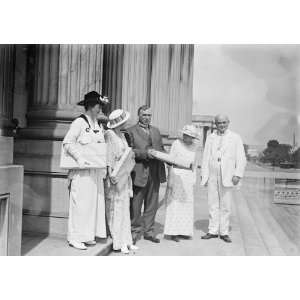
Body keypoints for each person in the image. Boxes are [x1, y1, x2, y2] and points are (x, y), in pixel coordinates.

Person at [63, 91, 108, 250]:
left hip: (95, 172)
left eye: (100, 106)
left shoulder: (98, 125)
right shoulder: (79, 123)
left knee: (92, 204)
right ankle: (74, 237)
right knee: (80, 204)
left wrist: (103, 168)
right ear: (89, 106)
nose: (100, 109)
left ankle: (87, 235)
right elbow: (68, 143)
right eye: (98, 106)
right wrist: (79, 159)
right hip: (81, 172)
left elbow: (101, 149)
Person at [200, 114, 247, 243]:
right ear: (215, 124)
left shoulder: (235, 137)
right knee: (212, 203)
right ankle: (213, 230)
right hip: (213, 174)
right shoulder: (211, 137)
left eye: (224, 123)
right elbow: (205, 157)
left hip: (227, 175)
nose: (222, 125)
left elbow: (241, 158)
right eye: (219, 123)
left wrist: (238, 174)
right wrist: (204, 175)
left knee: (226, 204)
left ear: (228, 123)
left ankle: (224, 231)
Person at [126, 105, 166, 244]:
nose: (147, 118)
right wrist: (145, 153)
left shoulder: (156, 131)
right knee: (135, 206)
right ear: (139, 116)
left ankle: (149, 232)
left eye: (149, 115)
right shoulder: (130, 131)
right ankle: (134, 233)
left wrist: (168, 157)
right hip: (138, 172)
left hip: (154, 173)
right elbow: (129, 151)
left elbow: (161, 149)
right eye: (144, 115)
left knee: (151, 205)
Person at [105, 109, 139, 254]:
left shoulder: (122, 135)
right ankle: (119, 241)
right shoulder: (110, 135)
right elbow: (107, 156)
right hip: (115, 175)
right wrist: (110, 174)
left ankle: (127, 240)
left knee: (125, 207)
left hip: (125, 174)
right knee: (116, 208)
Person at [163, 125, 202, 242]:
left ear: (193, 138)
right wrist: (170, 177)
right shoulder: (176, 144)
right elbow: (170, 161)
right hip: (177, 175)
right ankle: (173, 232)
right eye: (185, 135)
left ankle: (184, 231)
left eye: (189, 136)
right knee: (175, 203)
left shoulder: (195, 147)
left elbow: (195, 164)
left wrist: (193, 179)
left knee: (186, 204)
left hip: (188, 177)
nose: (187, 138)